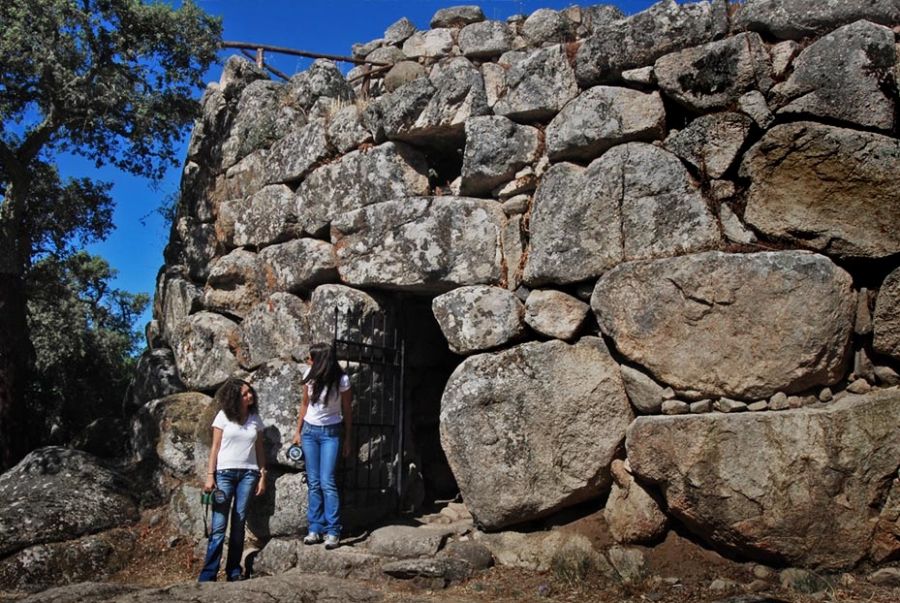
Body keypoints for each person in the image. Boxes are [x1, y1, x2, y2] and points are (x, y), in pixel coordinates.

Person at [198, 378, 267, 582]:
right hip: (224, 474)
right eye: (245, 394)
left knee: (239, 523)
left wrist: (263, 476)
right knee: (219, 527)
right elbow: (215, 448)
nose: (250, 396)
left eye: (250, 392)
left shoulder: (255, 418)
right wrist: (210, 476)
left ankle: (233, 571)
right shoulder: (222, 417)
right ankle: (208, 574)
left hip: (249, 474)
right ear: (234, 397)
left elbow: (260, 450)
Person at [292, 342, 352, 550]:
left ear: (321, 361)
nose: (308, 361)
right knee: (314, 481)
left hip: (331, 433)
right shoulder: (311, 375)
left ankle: (333, 530)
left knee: (327, 481)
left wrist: (347, 438)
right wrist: (298, 431)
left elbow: (347, 409)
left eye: (311, 358)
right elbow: (304, 404)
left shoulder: (342, 379)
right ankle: (314, 528)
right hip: (310, 431)